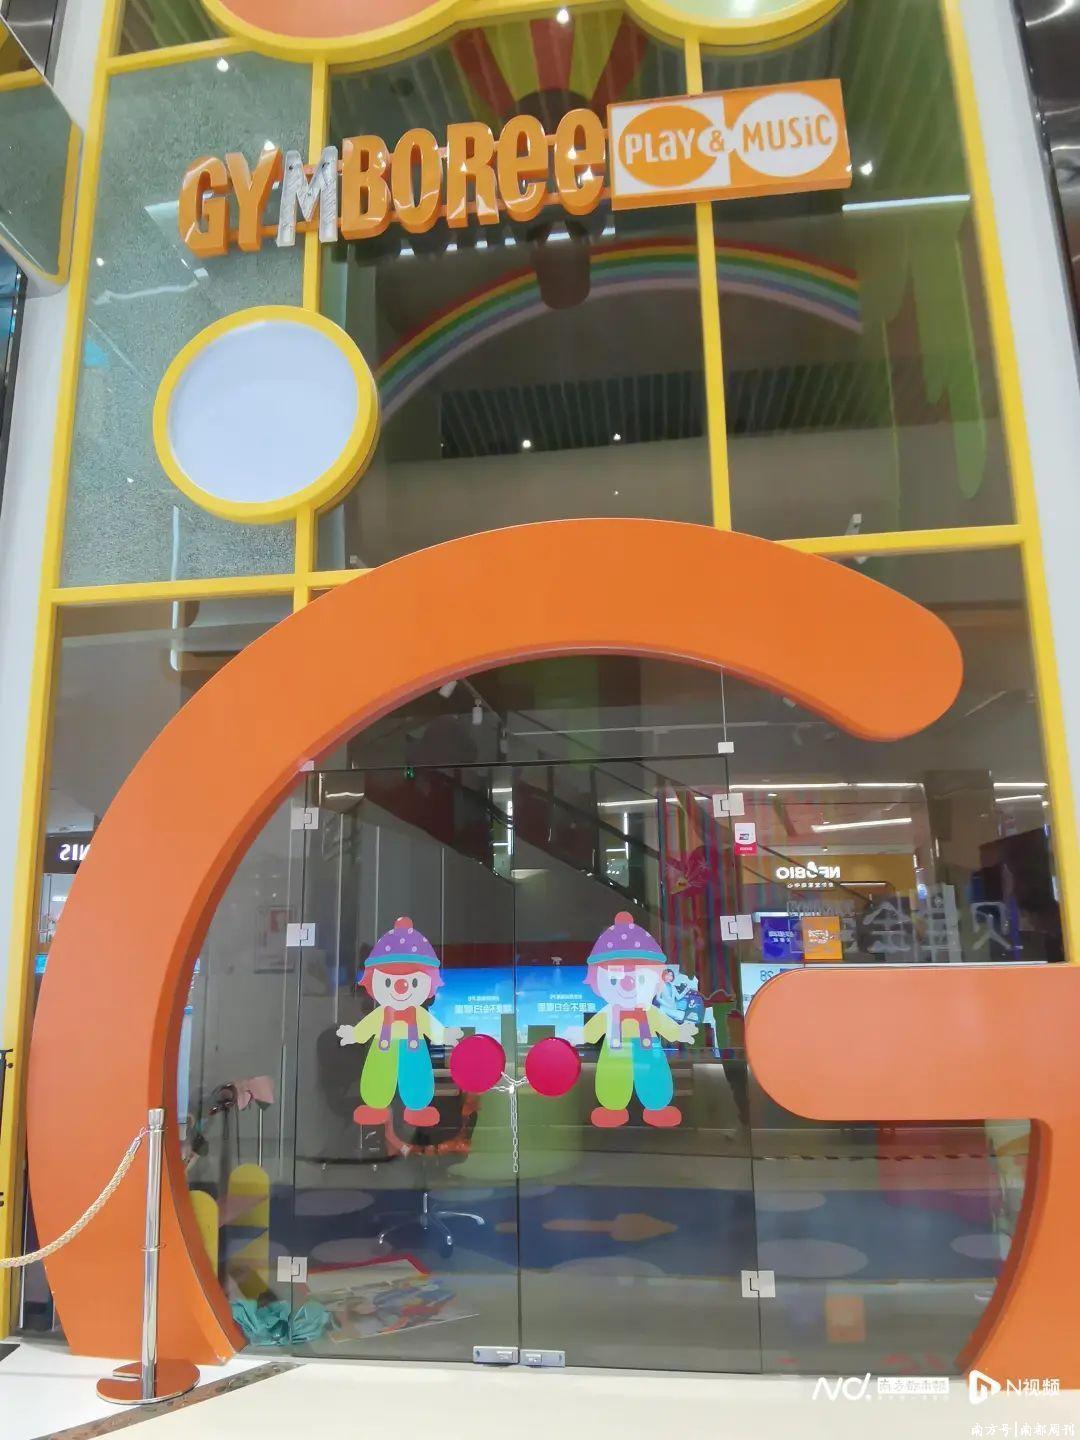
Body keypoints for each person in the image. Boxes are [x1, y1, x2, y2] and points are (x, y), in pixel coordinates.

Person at [567, 912, 698, 1129]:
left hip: (647, 1050)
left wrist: (680, 1032)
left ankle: (657, 1107)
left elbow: (667, 1027)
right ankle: (613, 1107)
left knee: (654, 1077)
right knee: (612, 1078)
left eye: (640, 977)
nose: (627, 984)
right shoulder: (610, 1012)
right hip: (615, 1052)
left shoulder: (649, 1011)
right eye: (614, 978)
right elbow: (592, 1031)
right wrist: (580, 1035)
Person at [337, 916, 461, 1127]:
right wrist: (354, 1034)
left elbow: (433, 1029)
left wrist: (444, 1035)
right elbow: (366, 1028)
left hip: (414, 1049)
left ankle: (417, 1108)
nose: (400, 988)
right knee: (378, 1077)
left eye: (413, 982)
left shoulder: (418, 1014)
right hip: (383, 1049)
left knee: (416, 1077)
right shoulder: (382, 1013)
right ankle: (376, 1106)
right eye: (388, 981)